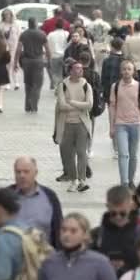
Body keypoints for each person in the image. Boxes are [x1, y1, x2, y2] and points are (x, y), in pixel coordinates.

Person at [0, 157, 63, 248]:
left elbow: (58, 229)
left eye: (26, 172)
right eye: (18, 172)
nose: (22, 176)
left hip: (43, 257)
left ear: (35, 173)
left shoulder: (49, 196)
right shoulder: (5, 196)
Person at [38, 212, 117, 280]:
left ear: (85, 234)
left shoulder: (101, 263)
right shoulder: (49, 262)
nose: (66, 235)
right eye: (63, 230)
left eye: (73, 231)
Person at [109, 60, 140, 188]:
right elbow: (112, 107)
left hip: (136, 124)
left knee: (133, 155)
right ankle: (124, 182)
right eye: (124, 69)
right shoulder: (115, 87)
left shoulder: (139, 87)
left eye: (129, 69)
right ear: (121, 71)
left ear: (133, 71)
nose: (126, 71)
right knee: (123, 154)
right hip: (121, 124)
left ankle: (131, 180)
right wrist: (111, 126)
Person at [54, 60, 92, 192]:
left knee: (82, 153)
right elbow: (62, 105)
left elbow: (89, 105)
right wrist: (79, 105)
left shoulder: (86, 85)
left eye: (81, 69)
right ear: (70, 71)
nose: (80, 71)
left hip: (82, 124)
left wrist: (73, 102)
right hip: (66, 124)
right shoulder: (63, 85)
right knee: (68, 154)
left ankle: (82, 180)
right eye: (76, 69)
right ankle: (73, 179)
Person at [90, 185, 139, 278]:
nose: (118, 217)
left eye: (123, 213)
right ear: (107, 207)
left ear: (131, 206)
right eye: (113, 213)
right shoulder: (96, 235)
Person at [16, 18, 51, 113]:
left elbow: (19, 49)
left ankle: (27, 106)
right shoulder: (42, 34)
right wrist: (49, 61)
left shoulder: (24, 34)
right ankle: (34, 105)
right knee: (37, 84)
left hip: (27, 61)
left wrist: (15, 62)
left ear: (28, 24)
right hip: (38, 61)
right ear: (36, 23)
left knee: (28, 84)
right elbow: (47, 49)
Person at [0, 9, 20, 89]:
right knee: (7, 64)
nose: (7, 16)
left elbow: (19, 35)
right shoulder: (1, 24)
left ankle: (16, 82)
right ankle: (8, 82)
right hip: (5, 46)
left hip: (14, 46)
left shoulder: (15, 24)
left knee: (14, 63)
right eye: (5, 15)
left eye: (8, 14)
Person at [47, 18, 69, 88]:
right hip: (64, 56)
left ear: (55, 26)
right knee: (65, 73)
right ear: (63, 26)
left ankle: (57, 86)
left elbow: (48, 45)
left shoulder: (51, 34)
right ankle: (64, 86)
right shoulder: (67, 34)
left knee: (55, 73)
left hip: (54, 56)